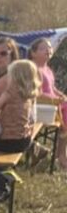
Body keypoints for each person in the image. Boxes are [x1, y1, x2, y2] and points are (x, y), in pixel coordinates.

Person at [27, 36, 67, 169]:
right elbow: (35, 92)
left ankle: (61, 152)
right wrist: (54, 100)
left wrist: (60, 95)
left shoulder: (47, 69)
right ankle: (61, 154)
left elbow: (52, 88)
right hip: (41, 106)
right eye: (43, 48)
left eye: (49, 48)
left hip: (53, 104)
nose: (48, 50)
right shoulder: (33, 69)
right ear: (33, 53)